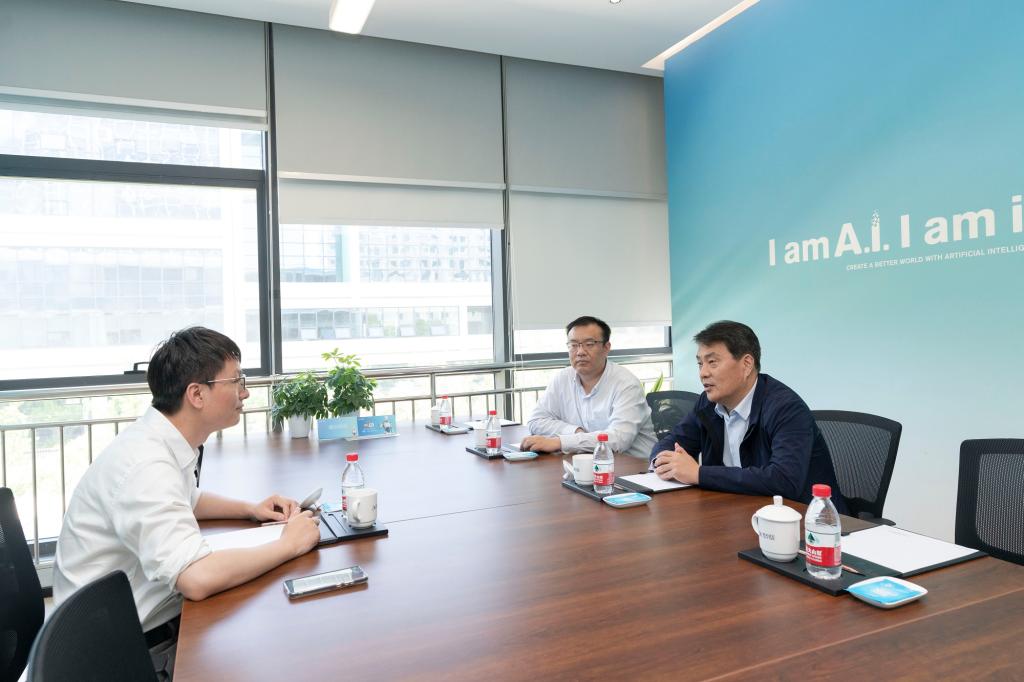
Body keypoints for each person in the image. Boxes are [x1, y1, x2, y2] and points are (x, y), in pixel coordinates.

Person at [53, 327, 320, 680]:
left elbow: (188, 499)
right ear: (196, 394)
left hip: (134, 625)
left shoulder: (161, 442)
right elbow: (197, 578)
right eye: (236, 381)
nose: (245, 392)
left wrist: (250, 509)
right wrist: (288, 545)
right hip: (122, 656)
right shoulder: (146, 466)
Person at [649, 321, 847, 511]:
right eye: (700, 364)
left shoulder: (786, 408)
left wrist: (699, 474)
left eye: (712, 362)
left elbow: (784, 480)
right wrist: (664, 462)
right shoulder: (708, 403)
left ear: (746, 364)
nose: (703, 373)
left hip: (807, 520)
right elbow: (672, 441)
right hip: (738, 511)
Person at [521, 316, 656, 458]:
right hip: (588, 461)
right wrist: (575, 432)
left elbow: (618, 439)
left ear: (606, 348)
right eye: (574, 345)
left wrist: (560, 442)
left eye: (589, 344)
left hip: (633, 466)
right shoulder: (563, 378)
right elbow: (536, 421)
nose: (580, 352)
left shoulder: (626, 384)